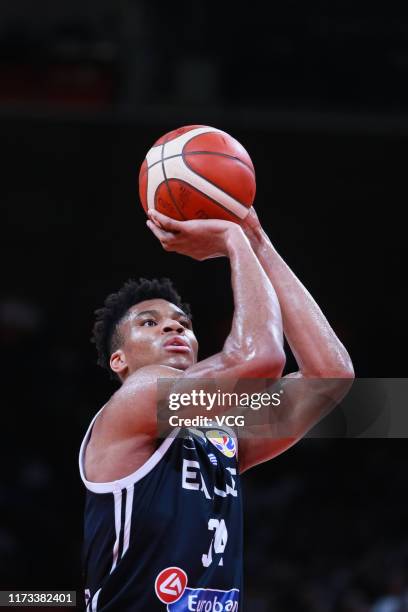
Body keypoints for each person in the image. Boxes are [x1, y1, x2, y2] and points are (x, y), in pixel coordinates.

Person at [79, 208, 354, 611]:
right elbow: (259, 359)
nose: (173, 327)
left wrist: (258, 240)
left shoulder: (221, 433)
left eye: (182, 322)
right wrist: (232, 238)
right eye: (149, 323)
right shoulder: (134, 400)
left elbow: (329, 377)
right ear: (119, 361)